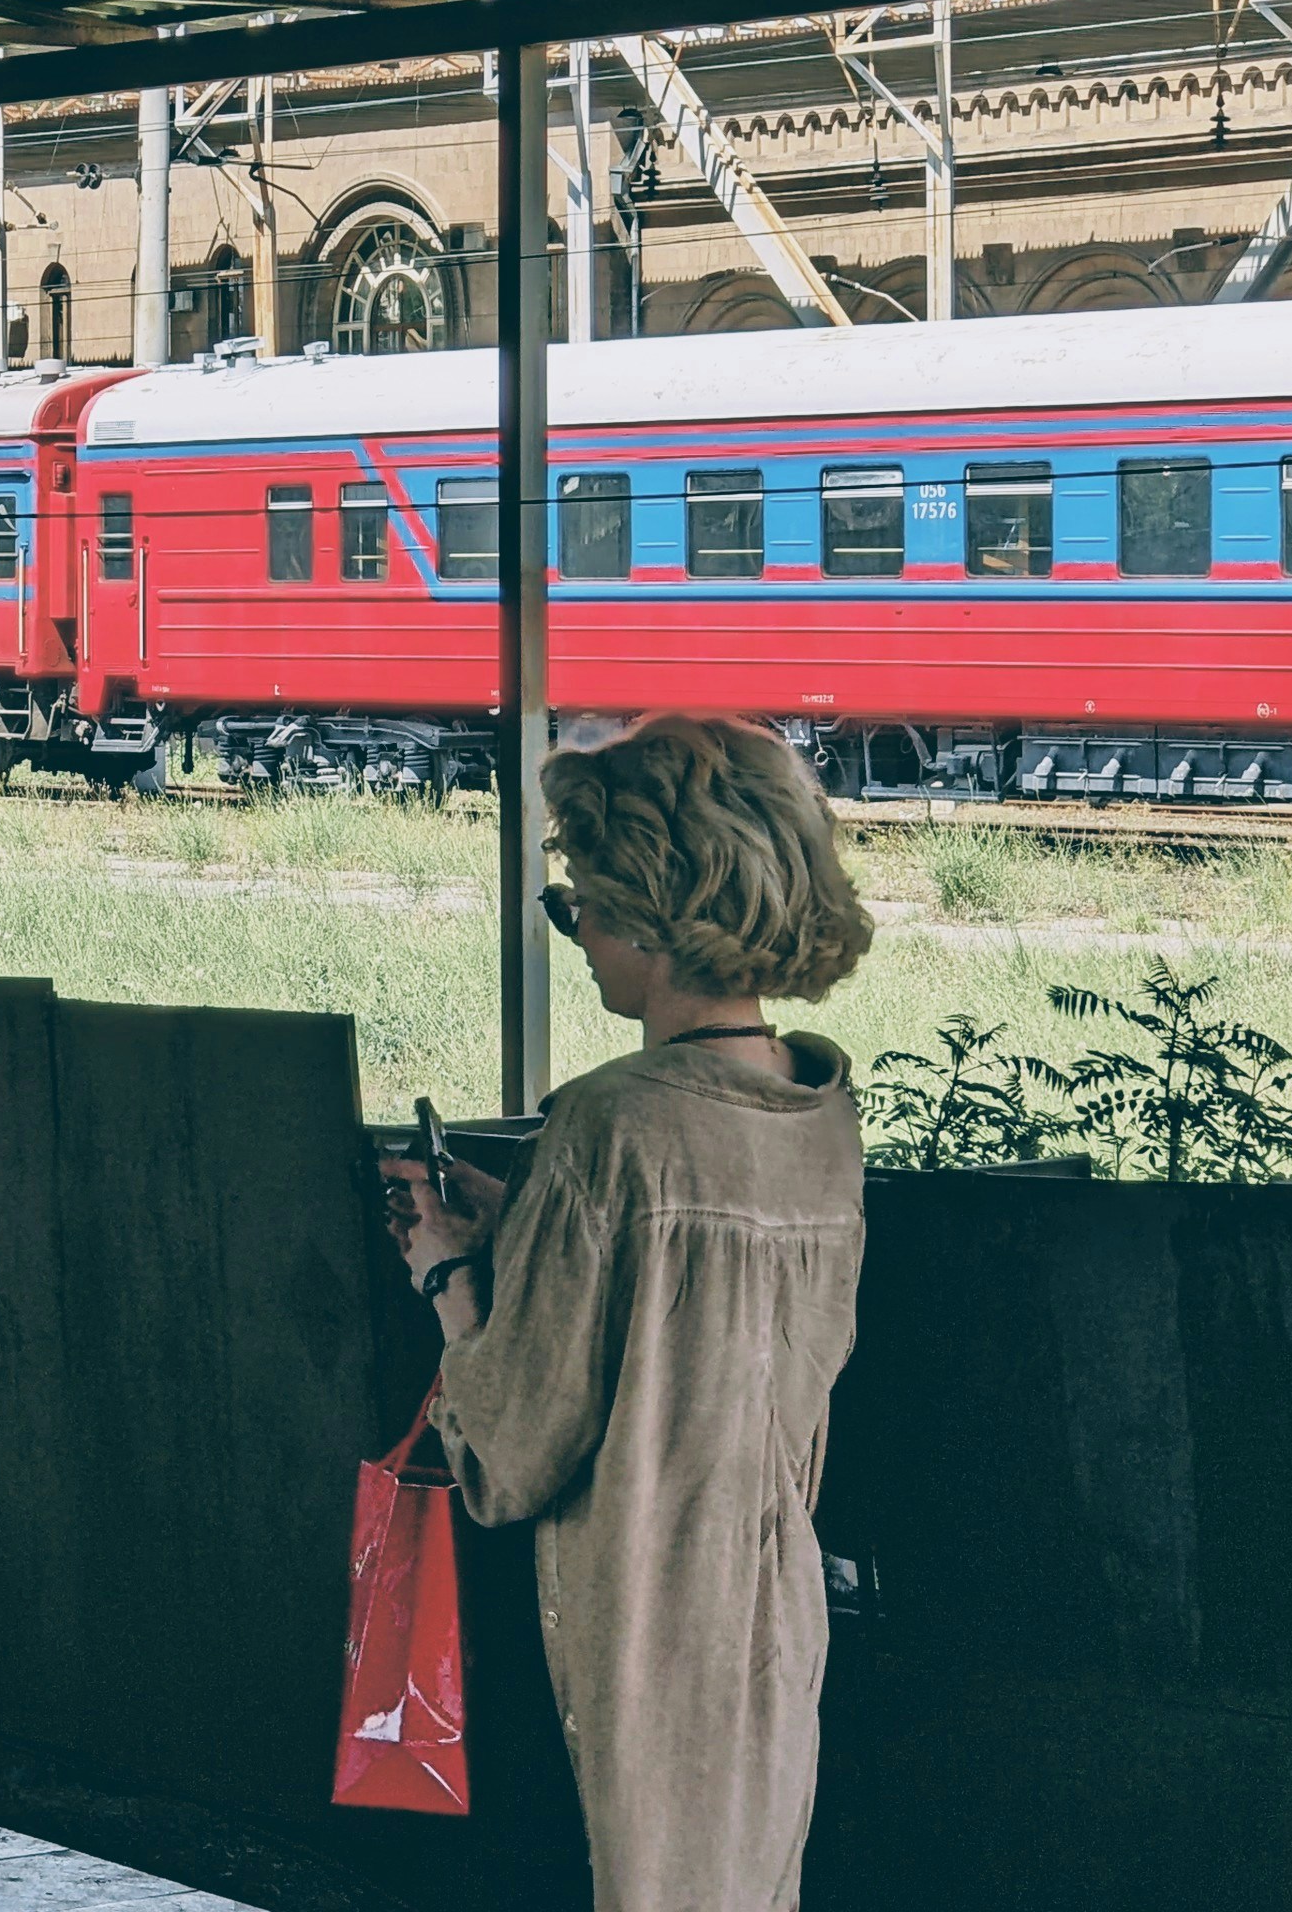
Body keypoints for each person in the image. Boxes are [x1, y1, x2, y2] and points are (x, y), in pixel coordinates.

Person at [380, 714, 873, 1912]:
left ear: (656, 913)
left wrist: (449, 1277)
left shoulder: (613, 1126)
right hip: (771, 1606)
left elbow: (507, 1453)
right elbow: (696, 1298)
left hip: (643, 1622)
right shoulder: (818, 1114)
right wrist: (532, 1218)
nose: (581, 932)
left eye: (583, 902)